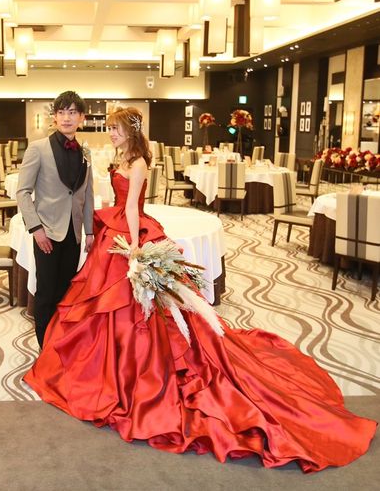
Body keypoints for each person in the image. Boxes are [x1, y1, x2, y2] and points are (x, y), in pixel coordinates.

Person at [24, 106, 376, 472]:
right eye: (110, 128)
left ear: (130, 131)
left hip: (130, 232)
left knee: (134, 308)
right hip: (115, 229)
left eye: (115, 129)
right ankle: (106, 364)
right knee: (106, 305)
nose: (110, 133)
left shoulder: (139, 162)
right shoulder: (121, 157)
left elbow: (131, 208)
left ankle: (138, 369)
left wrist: (134, 248)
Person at [16, 90, 94, 347]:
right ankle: (44, 348)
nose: (66, 118)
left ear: (81, 117)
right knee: (46, 293)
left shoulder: (85, 152)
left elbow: (87, 194)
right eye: (61, 112)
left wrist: (89, 231)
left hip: (73, 233)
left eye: (72, 112)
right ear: (55, 117)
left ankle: (60, 344)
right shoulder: (38, 148)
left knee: (66, 291)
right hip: (47, 232)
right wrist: (36, 229)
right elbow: (23, 192)